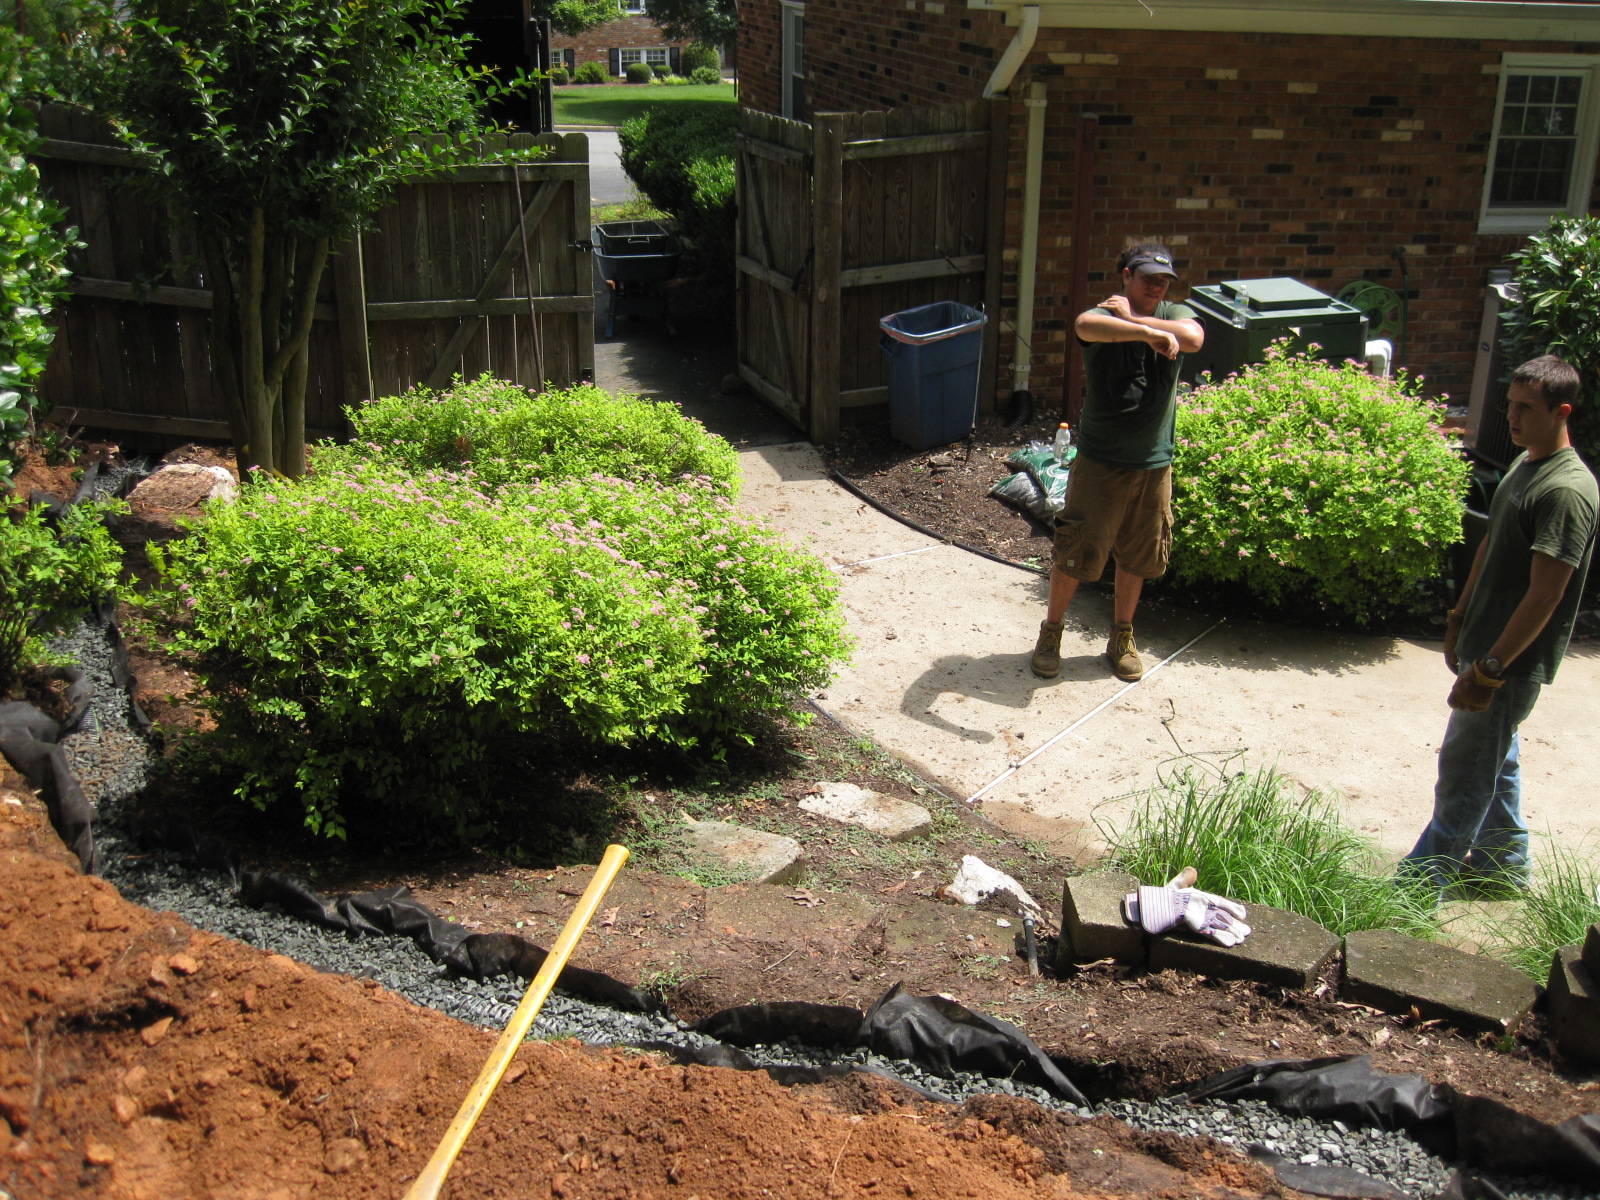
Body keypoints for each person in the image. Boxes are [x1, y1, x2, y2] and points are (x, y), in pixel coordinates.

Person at [1401, 354, 1598, 900]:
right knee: (1495, 756)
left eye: (1525, 408)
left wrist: (1489, 669)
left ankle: (1419, 886)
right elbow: (1490, 543)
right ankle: (1503, 863)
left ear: (1561, 412)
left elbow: (1547, 593)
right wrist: (1458, 618)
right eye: (1509, 404)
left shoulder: (1567, 491)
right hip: (1484, 644)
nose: (1511, 417)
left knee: (1465, 772)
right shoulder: (1525, 463)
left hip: (1509, 662)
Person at [1031, 243, 1205, 682]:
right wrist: (1144, 333)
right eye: (1148, 278)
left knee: (1138, 554)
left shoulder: (1173, 312)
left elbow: (1193, 338)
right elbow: (1084, 325)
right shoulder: (1105, 313)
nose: (1157, 286)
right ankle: (1051, 632)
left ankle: (1121, 636)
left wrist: (1141, 322)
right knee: (1076, 549)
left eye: (1163, 280)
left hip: (1154, 462)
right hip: (1102, 461)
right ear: (1126, 275)